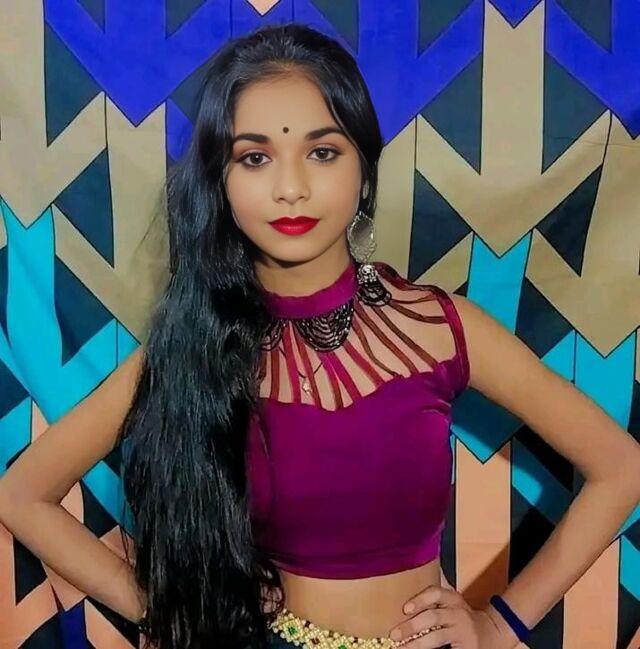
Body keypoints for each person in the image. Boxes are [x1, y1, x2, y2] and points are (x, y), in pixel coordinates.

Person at [0, 22, 639, 649]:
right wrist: (176, 614)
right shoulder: (194, 348)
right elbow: (23, 496)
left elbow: (621, 468)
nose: (291, 189)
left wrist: (500, 625)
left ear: (364, 169)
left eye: (323, 152)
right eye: (255, 158)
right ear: (220, 183)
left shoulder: (440, 330)